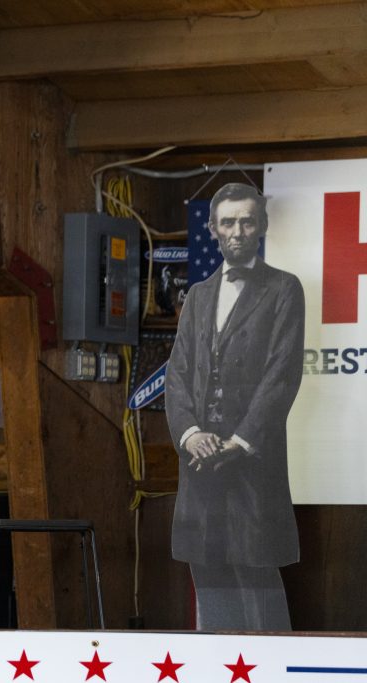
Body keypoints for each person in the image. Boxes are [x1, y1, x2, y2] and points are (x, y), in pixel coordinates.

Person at [166, 182, 305, 631]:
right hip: (201, 465)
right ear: (212, 228)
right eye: (228, 222)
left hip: (252, 463)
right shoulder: (199, 296)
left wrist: (240, 441)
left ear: (261, 226)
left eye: (247, 221)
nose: (238, 231)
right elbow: (178, 374)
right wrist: (191, 435)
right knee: (209, 582)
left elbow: (281, 376)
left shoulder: (284, 289)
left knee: (259, 587)